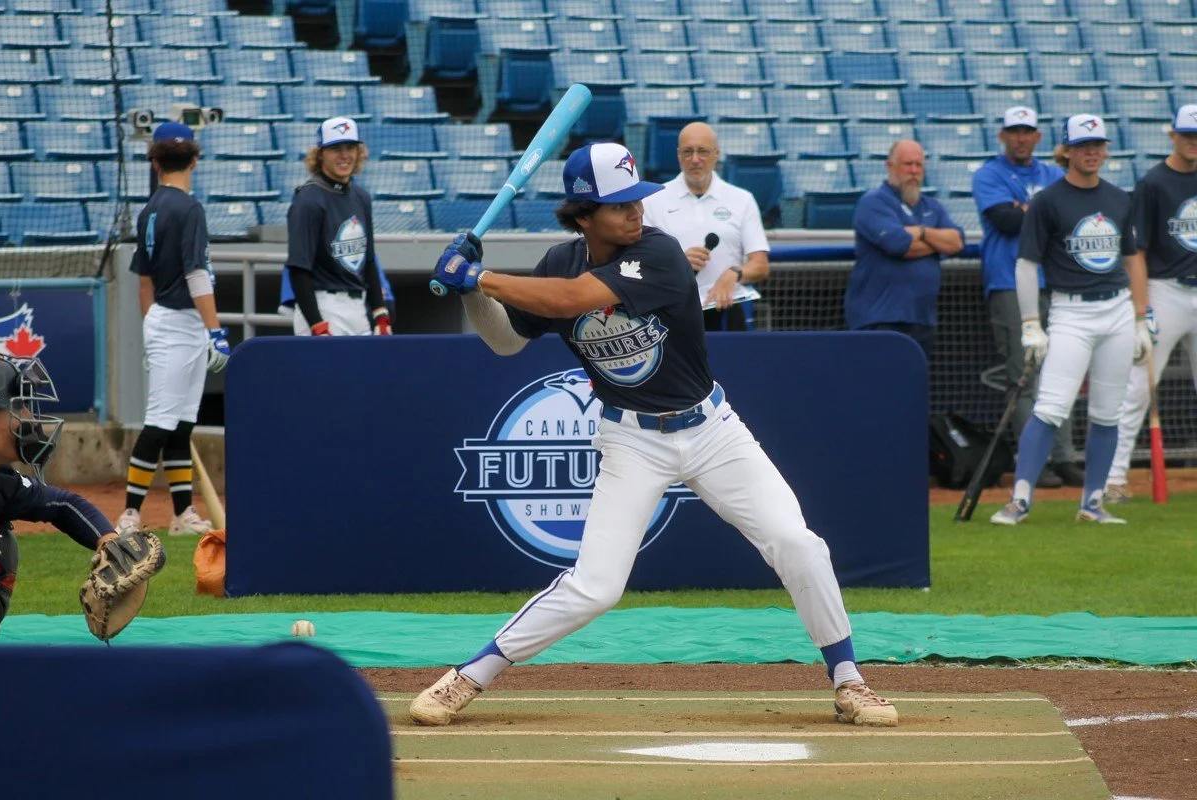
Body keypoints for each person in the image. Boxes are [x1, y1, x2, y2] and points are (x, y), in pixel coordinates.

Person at [409, 142, 898, 729]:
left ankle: (849, 680)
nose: (635, 212)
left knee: (798, 543)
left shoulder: (659, 254)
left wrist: (480, 274)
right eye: (618, 206)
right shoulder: (556, 263)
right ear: (583, 214)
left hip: (713, 430)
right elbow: (506, 342)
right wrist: (471, 293)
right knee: (596, 588)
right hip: (630, 441)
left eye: (636, 200)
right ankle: (469, 675)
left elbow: (573, 301)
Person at [990, 114, 1152, 526]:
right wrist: (1031, 322)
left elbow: (1132, 258)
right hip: (1071, 310)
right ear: (1066, 151)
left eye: (1097, 144)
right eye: (1083, 145)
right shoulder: (1047, 200)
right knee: (1051, 407)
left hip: (1116, 308)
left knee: (1107, 412)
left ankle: (1092, 502)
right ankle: (1020, 499)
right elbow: (1026, 264)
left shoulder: (1119, 198)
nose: (1091, 152)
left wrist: (1140, 317)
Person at [117, 122, 229, 538]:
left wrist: (150, 328)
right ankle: (130, 513)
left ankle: (182, 513)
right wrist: (215, 330)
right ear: (195, 160)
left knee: (182, 424)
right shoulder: (190, 208)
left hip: (165, 319)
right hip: (183, 321)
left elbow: (143, 283)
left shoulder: (150, 208)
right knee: (162, 423)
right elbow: (196, 273)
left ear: (156, 161)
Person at [972, 107, 1083, 489]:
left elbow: (1071, 215)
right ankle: (1033, 462)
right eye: (1014, 131)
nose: (1021, 138)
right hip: (1009, 283)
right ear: (1002, 136)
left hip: (1057, 282)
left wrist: (1028, 209)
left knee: (1063, 372)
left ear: (1038, 137)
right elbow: (1006, 219)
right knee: (1024, 377)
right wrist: (1042, 211)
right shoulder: (989, 174)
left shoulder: (1051, 173)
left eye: (1028, 131)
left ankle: (1065, 457)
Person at [1105, 104, 1197, 503]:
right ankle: (1113, 479)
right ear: (1172, 135)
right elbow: (1136, 252)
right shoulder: (1153, 183)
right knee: (1138, 388)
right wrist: (1141, 311)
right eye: (1187, 134)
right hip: (1165, 289)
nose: (1193, 141)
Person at [0, 354, 123, 630]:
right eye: (19, 407)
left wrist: (110, 544)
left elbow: (62, 504)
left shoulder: (3, 482)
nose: (28, 419)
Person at [640, 121, 770, 331]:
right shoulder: (653, 200)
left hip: (726, 314)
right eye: (687, 152)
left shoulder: (742, 199)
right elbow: (638, 263)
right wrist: (677, 262)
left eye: (703, 151)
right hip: (670, 315)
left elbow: (760, 265)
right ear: (678, 155)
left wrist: (735, 273)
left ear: (716, 154)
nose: (695, 159)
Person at [846, 139, 965, 358]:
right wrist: (937, 243)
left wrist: (920, 232)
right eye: (907, 164)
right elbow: (899, 245)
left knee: (912, 388)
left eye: (918, 165)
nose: (913, 171)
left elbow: (956, 242)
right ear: (890, 166)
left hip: (921, 319)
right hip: (880, 318)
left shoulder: (932, 206)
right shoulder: (873, 202)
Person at [285, 116, 389, 337]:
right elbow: (298, 269)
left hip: (358, 308)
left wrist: (380, 312)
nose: (345, 155)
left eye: (350, 147)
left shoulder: (361, 197)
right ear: (320, 153)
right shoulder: (308, 199)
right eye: (335, 148)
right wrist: (317, 324)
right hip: (324, 306)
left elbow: (368, 259)